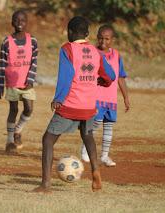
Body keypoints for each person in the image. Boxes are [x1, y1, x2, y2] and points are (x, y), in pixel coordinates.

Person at [33, 16, 116, 193]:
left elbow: (66, 75)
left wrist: (58, 98)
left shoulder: (67, 49)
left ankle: (46, 185)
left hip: (71, 105)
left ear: (69, 32)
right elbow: (110, 75)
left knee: (47, 140)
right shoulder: (95, 51)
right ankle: (95, 171)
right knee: (88, 137)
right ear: (87, 34)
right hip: (89, 107)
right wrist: (103, 81)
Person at [81, 25, 130, 167]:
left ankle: (104, 156)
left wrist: (125, 97)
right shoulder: (92, 53)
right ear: (97, 37)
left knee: (109, 127)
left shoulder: (116, 55)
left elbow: (120, 77)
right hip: (96, 98)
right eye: (100, 38)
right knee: (95, 124)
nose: (103, 41)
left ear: (112, 40)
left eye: (107, 39)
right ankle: (85, 150)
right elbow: (86, 73)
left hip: (111, 100)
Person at [0, 9, 38, 153]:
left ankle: (18, 130)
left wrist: (31, 79)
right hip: (12, 82)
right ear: (12, 22)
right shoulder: (7, 42)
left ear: (27, 23)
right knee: (13, 110)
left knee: (29, 108)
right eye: (17, 20)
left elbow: (34, 62)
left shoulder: (32, 40)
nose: (20, 23)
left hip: (27, 83)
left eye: (23, 20)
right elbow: (2, 64)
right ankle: (9, 141)